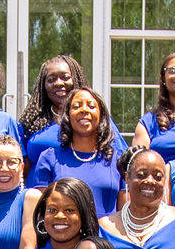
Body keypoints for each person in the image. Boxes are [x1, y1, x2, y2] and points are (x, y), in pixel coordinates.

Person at [30, 87, 123, 216]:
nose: (84, 110)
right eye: (76, 106)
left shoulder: (117, 160)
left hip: (105, 229)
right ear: (67, 115)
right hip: (62, 229)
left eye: (91, 106)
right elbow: (43, 213)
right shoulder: (49, 158)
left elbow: (124, 214)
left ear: (101, 115)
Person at [101, 146, 175, 249]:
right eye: (141, 175)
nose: (150, 181)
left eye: (158, 176)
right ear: (127, 178)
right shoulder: (104, 228)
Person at [16, 54, 89, 165]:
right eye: (51, 79)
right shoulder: (31, 122)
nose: (58, 83)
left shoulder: (94, 120)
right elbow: (21, 165)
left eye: (65, 77)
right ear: (43, 86)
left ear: (76, 80)